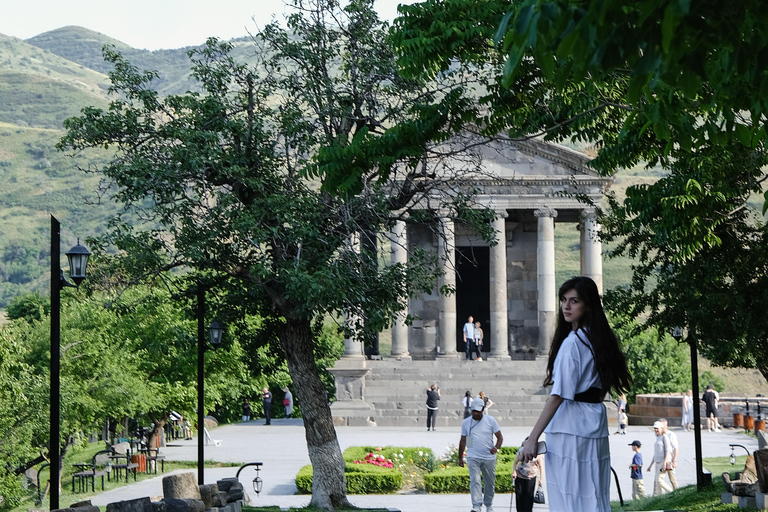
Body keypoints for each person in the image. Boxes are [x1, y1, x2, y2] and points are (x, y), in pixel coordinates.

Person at [517, 276, 632, 512]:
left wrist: (532, 438)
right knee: (593, 494)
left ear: (587, 305)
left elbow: (558, 395)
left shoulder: (573, 342)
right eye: (563, 300)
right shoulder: (598, 340)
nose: (566, 306)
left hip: (571, 428)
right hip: (592, 421)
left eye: (574, 301)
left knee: (570, 497)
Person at [458, 397, 503, 512]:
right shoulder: (466, 422)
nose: (475, 413)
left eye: (478, 411)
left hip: (488, 457)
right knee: (475, 481)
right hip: (473, 456)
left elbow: (499, 437)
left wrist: (496, 448)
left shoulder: (490, 420)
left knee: (489, 482)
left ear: (483, 409)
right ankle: (476, 505)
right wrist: (460, 457)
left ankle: (488, 505)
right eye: (473, 411)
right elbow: (464, 440)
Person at [512, 444, 545, 512]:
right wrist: (514, 472)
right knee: (519, 496)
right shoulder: (521, 452)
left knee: (528, 497)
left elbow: (541, 467)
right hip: (520, 476)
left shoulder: (538, 455)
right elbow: (515, 462)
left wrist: (541, 479)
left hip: (531, 477)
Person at [647, 420, 672, 495]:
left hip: (663, 462)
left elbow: (668, 450)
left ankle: (671, 492)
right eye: (655, 428)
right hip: (657, 462)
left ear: (661, 428)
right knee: (656, 482)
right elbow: (656, 453)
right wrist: (650, 465)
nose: (656, 430)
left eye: (657, 428)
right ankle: (658, 497)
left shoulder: (664, 437)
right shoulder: (657, 437)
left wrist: (665, 462)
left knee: (659, 480)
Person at [660, 418, 679, 489]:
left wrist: (674, 460)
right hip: (662, 460)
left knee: (672, 479)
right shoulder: (660, 435)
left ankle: (676, 491)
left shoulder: (671, 434)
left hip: (669, 460)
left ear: (665, 425)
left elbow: (675, 448)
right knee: (659, 479)